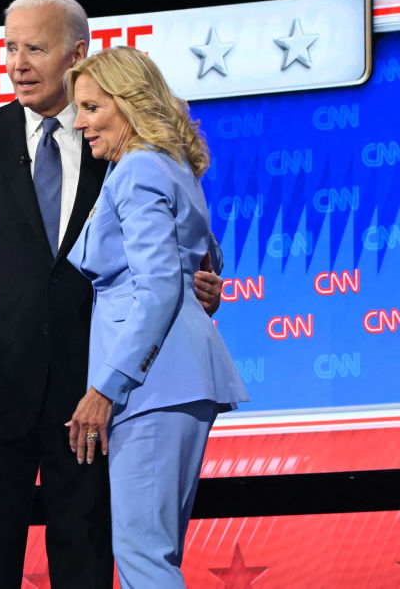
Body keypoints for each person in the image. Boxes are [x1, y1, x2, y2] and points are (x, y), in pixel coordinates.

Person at [0, 0, 224, 589]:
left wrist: (202, 281)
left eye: (34, 48)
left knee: (88, 561)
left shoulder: (119, 142)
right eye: (9, 49)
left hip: (92, 392)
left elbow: (182, 238)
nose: (17, 63)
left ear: (76, 53)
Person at [64, 46, 249, 588]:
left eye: (92, 108)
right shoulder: (168, 165)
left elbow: (159, 286)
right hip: (176, 378)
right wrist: (203, 282)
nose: (80, 123)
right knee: (154, 552)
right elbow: (198, 261)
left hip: (153, 383)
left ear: (129, 104)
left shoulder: (139, 169)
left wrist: (106, 387)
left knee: (144, 557)